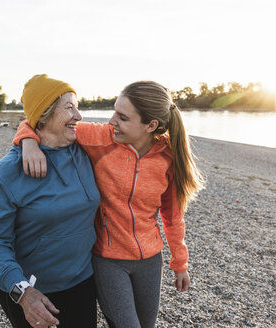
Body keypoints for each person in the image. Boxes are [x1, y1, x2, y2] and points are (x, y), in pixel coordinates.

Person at [14, 80, 204, 328]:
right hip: (108, 260)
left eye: (122, 117)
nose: (112, 120)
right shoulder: (101, 138)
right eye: (114, 111)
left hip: (149, 261)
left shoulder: (168, 156)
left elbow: (172, 216)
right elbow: (43, 124)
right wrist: (28, 142)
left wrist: (180, 264)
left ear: (151, 126)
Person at [0, 74, 100, 328]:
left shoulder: (86, 150)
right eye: (69, 107)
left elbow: (132, 131)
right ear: (44, 115)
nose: (78, 116)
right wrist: (22, 293)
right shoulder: (6, 174)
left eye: (77, 107)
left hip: (83, 283)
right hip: (34, 291)